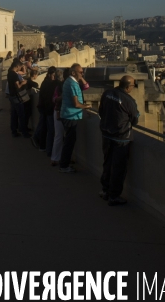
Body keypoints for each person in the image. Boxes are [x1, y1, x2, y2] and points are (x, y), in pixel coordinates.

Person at [98, 75, 140, 206]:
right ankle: (114, 195)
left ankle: (105, 190)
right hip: (121, 138)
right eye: (132, 86)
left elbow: (101, 111)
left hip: (106, 134)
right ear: (128, 87)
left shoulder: (107, 93)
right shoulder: (129, 100)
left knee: (107, 163)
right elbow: (135, 120)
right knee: (118, 168)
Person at [59, 63, 92, 173]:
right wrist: (86, 106)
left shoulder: (70, 81)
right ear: (73, 72)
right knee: (69, 142)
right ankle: (64, 165)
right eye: (80, 72)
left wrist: (81, 78)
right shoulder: (72, 84)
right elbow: (76, 104)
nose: (82, 74)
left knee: (68, 140)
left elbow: (86, 86)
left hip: (68, 115)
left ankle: (65, 163)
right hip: (70, 116)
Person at [31, 66, 57, 151]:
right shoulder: (48, 84)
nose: (54, 77)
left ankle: (42, 145)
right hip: (46, 108)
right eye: (53, 75)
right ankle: (37, 139)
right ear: (50, 74)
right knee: (46, 127)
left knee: (43, 126)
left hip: (43, 107)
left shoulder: (45, 82)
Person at [7, 59, 30, 138]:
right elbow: (18, 86)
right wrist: (23, 82)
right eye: (20, 67)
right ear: (17, 66)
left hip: (11, 95)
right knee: (21, 115)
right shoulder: (14, 75)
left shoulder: (9, 73)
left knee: (14, 115)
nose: (20, 68)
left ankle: (14, 131)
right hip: (16, 97)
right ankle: (24, 132)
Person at [50, 68, 68, 166]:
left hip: (60, 112)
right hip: (59, 112)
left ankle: (58, 157)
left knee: (60, 136)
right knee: (59, 136)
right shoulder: (60, 87)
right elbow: (54, 99)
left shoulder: (61, 86)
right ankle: (56, 158)